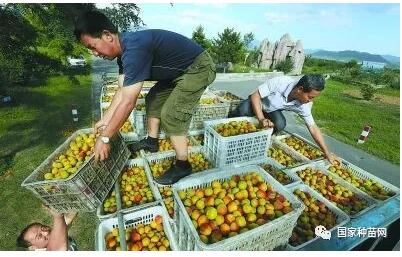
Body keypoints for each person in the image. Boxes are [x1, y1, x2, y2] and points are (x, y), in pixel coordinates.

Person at [74, 11, 216, 185]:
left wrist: (105, 138)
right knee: (153, 99)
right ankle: (152, 141)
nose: (94, 53)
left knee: (171, 114)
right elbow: (122, 90)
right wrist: (106, 119)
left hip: (197, 67)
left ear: (107, 36)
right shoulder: (124, 53)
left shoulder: (134, 49)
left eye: (92, 46)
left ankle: (183, 164)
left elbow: (128, 102)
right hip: (178, 71)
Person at [230, 74, 336, 163]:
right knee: (242, 110)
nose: (310, 100)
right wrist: (261, 119)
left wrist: (327, 152)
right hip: (258, 103)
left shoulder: (303, 105)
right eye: (310, 97)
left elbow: (313, 127)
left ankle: (256, 140)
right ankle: (232, 125)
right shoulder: (281, 82)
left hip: (271, 110)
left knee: (280, 124)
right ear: (300, 89)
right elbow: (255, 96)